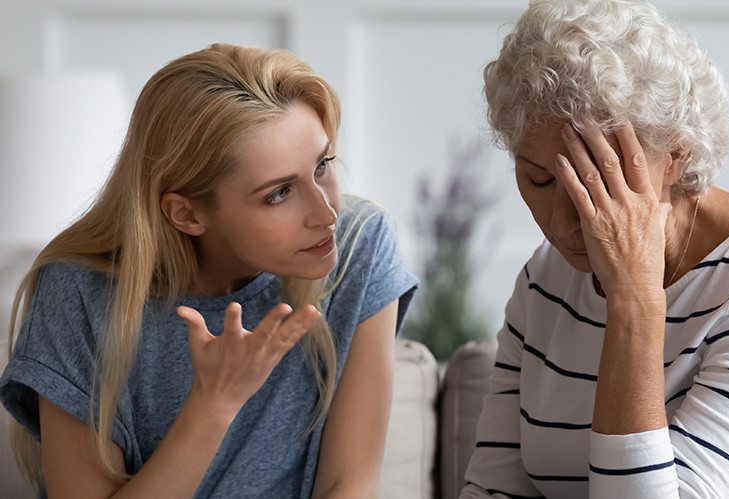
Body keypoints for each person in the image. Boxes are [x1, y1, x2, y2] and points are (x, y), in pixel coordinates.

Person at [461, 0, 729, 497]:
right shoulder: (547, 278)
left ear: (676, 154)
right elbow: (492, 489)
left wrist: (633, 298)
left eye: (598, 184)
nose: (564, 224)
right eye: (539, 179)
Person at [0, 43, 418, 498]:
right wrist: (214, 405)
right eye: (279, 193)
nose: (326, 213)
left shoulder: (360, 245)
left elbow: (349, 484)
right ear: (187, 215)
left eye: (322, 166)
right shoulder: (79, 293)